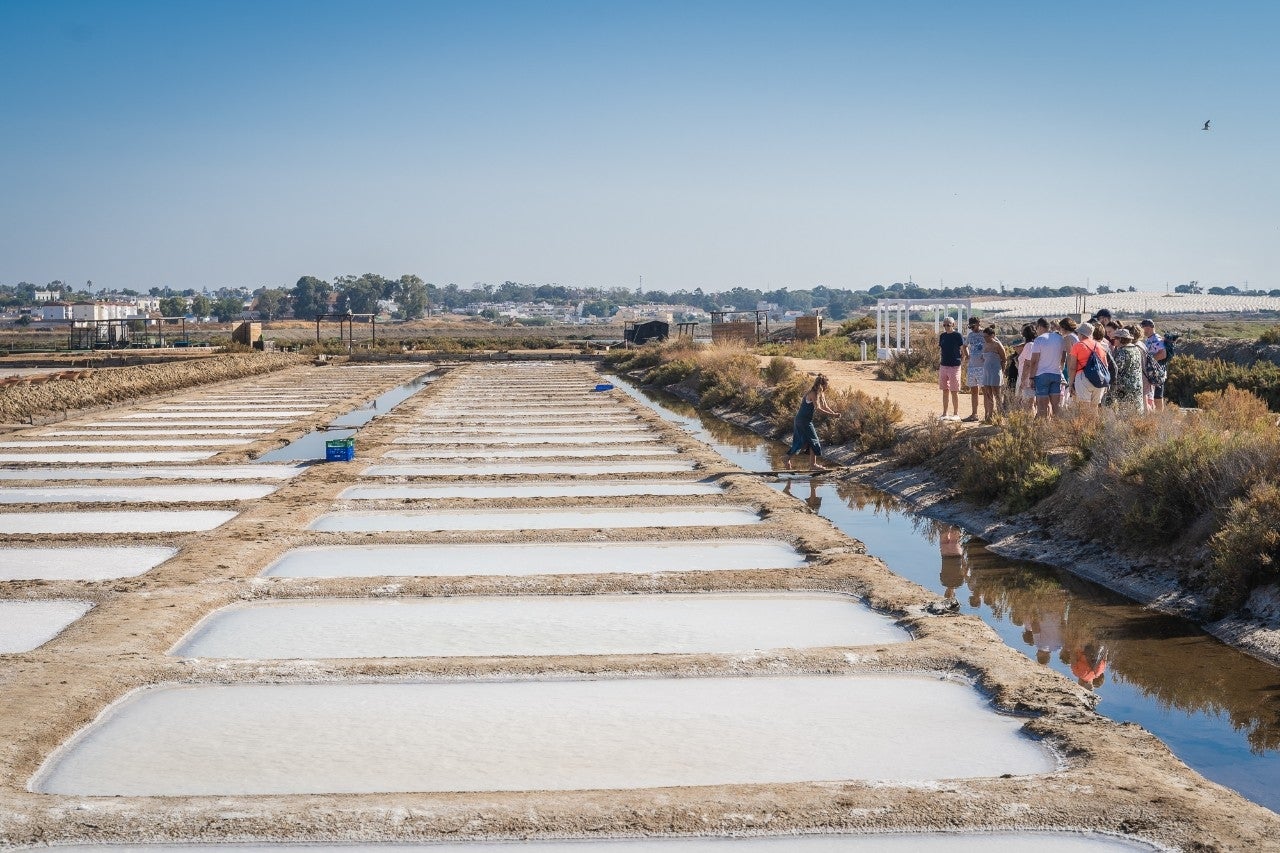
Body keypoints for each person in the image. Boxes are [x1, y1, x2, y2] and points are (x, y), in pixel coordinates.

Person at [784, 373, 838, 471]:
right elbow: (818, 408)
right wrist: (832, 415)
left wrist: (834, 413)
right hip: (803, 421)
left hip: (804, 420)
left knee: (804, 442)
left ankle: (787, 459)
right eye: (826, 385)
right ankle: (813, 465)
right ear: (822, 385)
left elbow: (825, 406)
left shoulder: (820, 393)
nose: (827, 387)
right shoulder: (813, 393)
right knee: (814, 441)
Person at [1021, 317, 1067, 418]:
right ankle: (1057, 428)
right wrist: (1059, 369)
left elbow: (1034, 361)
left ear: (1040, 327)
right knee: (1056, 405)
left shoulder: (1039, 340)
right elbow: (1063, 358)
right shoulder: (1060, 339)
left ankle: (1042, 430)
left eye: (1036, 328)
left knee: (1042, 405)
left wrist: (1032, 377)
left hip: (1041, 376)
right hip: (1056, 374)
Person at [1066, 322, 1108, 407]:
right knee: (1094, 408)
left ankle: (1087, 421)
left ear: (1081, 334)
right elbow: (1105, 365)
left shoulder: (1077, 346)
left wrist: (1070, 384)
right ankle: (1095, 421)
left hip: (1083, 377)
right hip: (1099, 379)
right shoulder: (1099, 346)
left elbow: (1072, 367)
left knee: (1084, 409)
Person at [1109, 328, 1145, 413]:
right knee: (1136, 411)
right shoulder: (1136, 349)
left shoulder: (1122, 352)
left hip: (1124, 387)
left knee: (1124, 412)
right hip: (1137, 384)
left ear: (1121, 339)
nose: (1113, 341)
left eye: (1115, 338)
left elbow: (1116, 369)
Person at [979, 325, 1006, 422]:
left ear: (992, 335)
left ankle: (999, 415)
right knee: (988, 394)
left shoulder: (997, 345)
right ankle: (990, 416)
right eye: (984, 337)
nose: (985, 338)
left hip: (995, 371)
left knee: (997, 394)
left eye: (986, 336)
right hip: (986, 371)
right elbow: (983, 357)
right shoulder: (984, 344)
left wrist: (1002, 371)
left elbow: (1004, 359)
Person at [938, 317, 964, 420]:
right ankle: (945, 413)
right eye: (944, 325)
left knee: (954, 390)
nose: (946, 327)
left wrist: (961, 360)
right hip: (944, 365)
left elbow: (963, 349)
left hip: (954, 365)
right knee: (945, 389)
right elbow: (941, 349)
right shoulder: (942, 336)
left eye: (948, 325)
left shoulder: (957, 335)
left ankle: (956, 413)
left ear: (953, 325)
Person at [1141, 318, 1168, 411]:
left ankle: (1160, 418)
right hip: (1154, 371)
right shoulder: (1150, 339)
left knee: (1157, 396)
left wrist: (1150, 361)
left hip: (1157, 372)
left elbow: (1163, 354)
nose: (1142, 330)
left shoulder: (1156, 339)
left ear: (1148, 328)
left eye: (1143, 327)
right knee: (1154, 395)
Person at [961, 316, 985, 422]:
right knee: (974, 390)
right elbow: (964, 346)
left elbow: (995, 344)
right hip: (972, 366)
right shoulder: (970, 335)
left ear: (978, 324)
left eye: (973, 326)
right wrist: (967, 356)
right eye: (970, 326)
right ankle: (974, 414)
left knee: (986, 391)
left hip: (983, 366)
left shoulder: (985, 333)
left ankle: (988, 414)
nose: (971, 328)